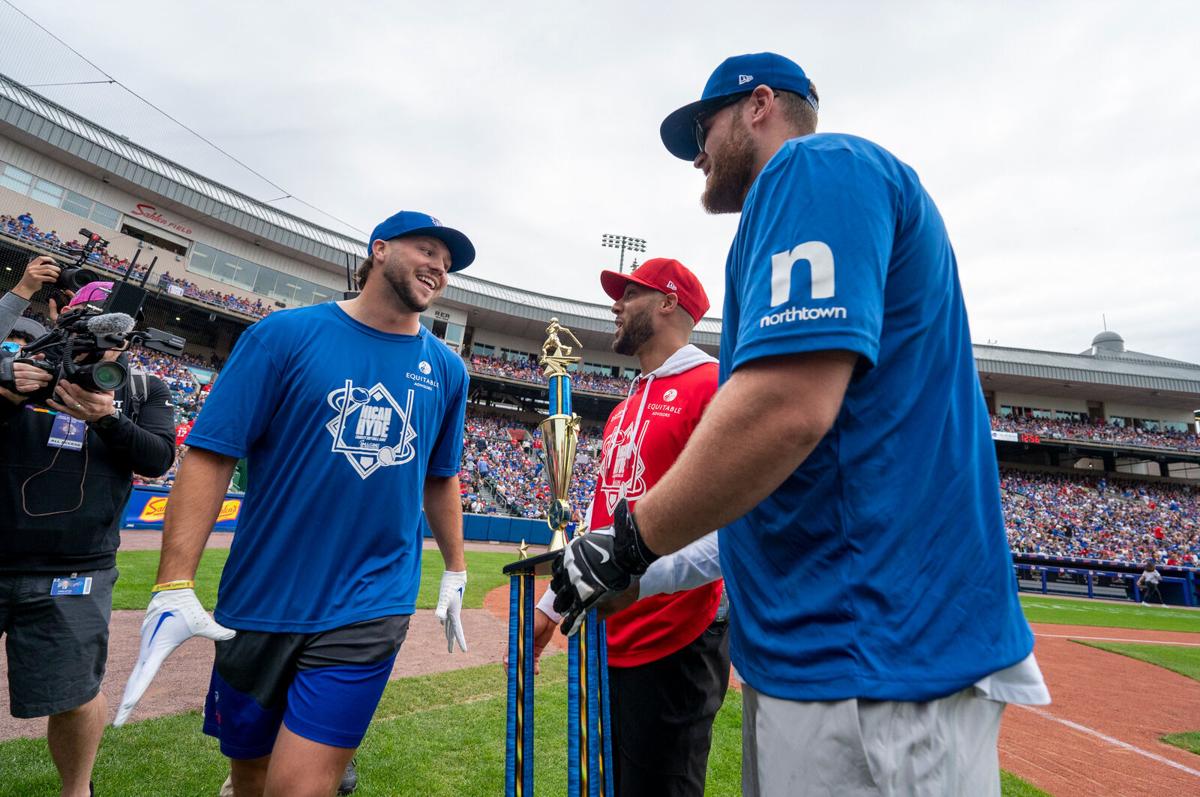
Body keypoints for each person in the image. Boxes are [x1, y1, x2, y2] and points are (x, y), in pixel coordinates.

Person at [552, 52, 1050, 796]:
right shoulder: (784, 216)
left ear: (759, 106)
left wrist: (626, 543)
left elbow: (786, 414)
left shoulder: (815, 167)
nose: (698, 152)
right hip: (834, 653)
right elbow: (760, 506)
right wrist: (640, 568)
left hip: (871, 658)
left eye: (704, 126)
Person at [113, 210, 475, 797]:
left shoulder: (446, 369)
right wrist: (173, 583)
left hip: (370, 603)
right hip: (259, 599)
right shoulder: (282, 335)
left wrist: (454, 569)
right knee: (249, 777)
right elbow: (211, 454)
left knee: (298, 787)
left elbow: (441, 476)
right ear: (379, 249)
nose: (439, 266)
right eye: (428, 249)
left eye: (448, 262)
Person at [534, 258, 728, 796]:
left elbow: (736, 526)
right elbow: (601, 525)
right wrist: (552, 609)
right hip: (610, 633)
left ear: (668, 303)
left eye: (630, 293)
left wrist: (644, 581)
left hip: (677, 635)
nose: (615, 305)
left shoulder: (717, 385)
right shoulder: (626, 406)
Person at [0, 284, 176, 797]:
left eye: (117, 339)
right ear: (63, 321)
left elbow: (156, 459)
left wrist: (106, 418)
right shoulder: (15, 366)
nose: (101, 350)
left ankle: (77, 791)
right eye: (90, 332)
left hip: (78, 567)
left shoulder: (142, 390)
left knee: (76, 695)